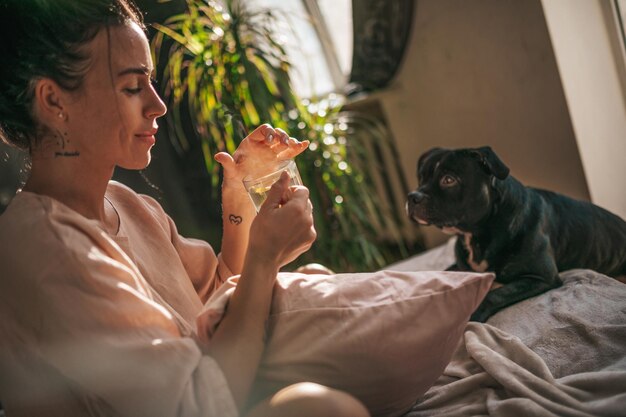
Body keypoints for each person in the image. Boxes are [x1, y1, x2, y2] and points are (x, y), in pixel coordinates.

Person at [0, 1, 370, 416]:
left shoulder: (130, 205)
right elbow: (197, 405)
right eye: (131, 87)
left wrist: (239, 194)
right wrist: (265, 257)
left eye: (151, 83)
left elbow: (218, 299)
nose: (158, 105)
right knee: (322, 408)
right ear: (53, 101)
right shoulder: (45, 246)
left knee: (320, 285)